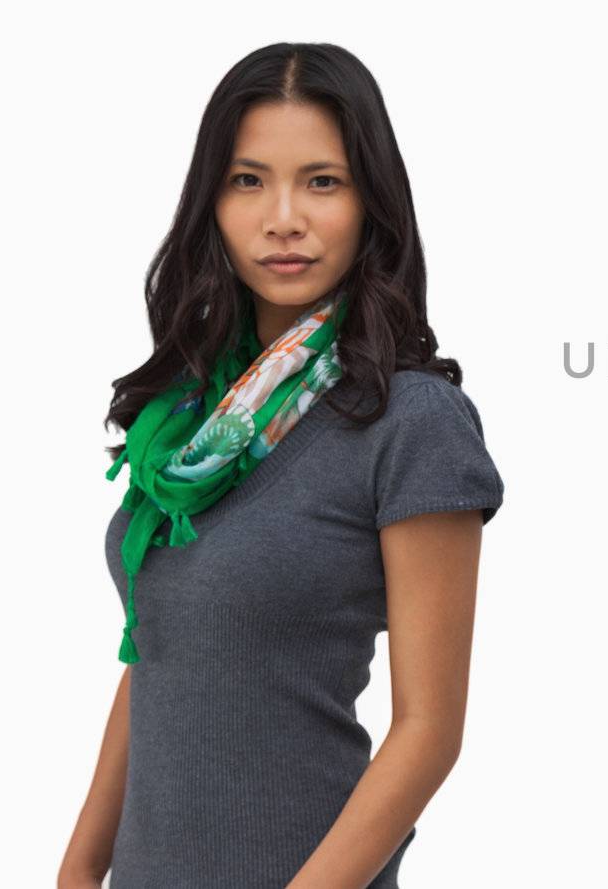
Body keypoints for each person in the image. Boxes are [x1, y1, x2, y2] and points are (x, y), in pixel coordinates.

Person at [57, 43, 505, 888]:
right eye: (248, 179)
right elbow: (158, 655)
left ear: (372, 201)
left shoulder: (413, 422)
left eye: (323, 181)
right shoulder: (189, 420)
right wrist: (80, 865)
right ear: (212, 203)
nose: (284, 217)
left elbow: (428, 732)